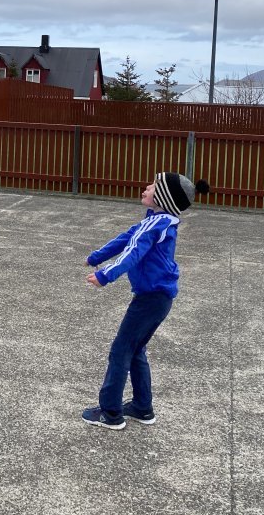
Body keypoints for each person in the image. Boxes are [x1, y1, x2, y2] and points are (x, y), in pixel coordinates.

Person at [81, 172, 209, 430]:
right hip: (157, 298)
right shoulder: (156, 221)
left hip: (150, 300)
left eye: (152, 186)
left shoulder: (156, 224)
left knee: (121, 350)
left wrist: (105, 275)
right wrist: (97, 256)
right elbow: (125, 238)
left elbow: (132, 253)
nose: (146, 188)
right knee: (135, 349)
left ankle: (110, 413)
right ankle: (142, 407)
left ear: (162, 197)